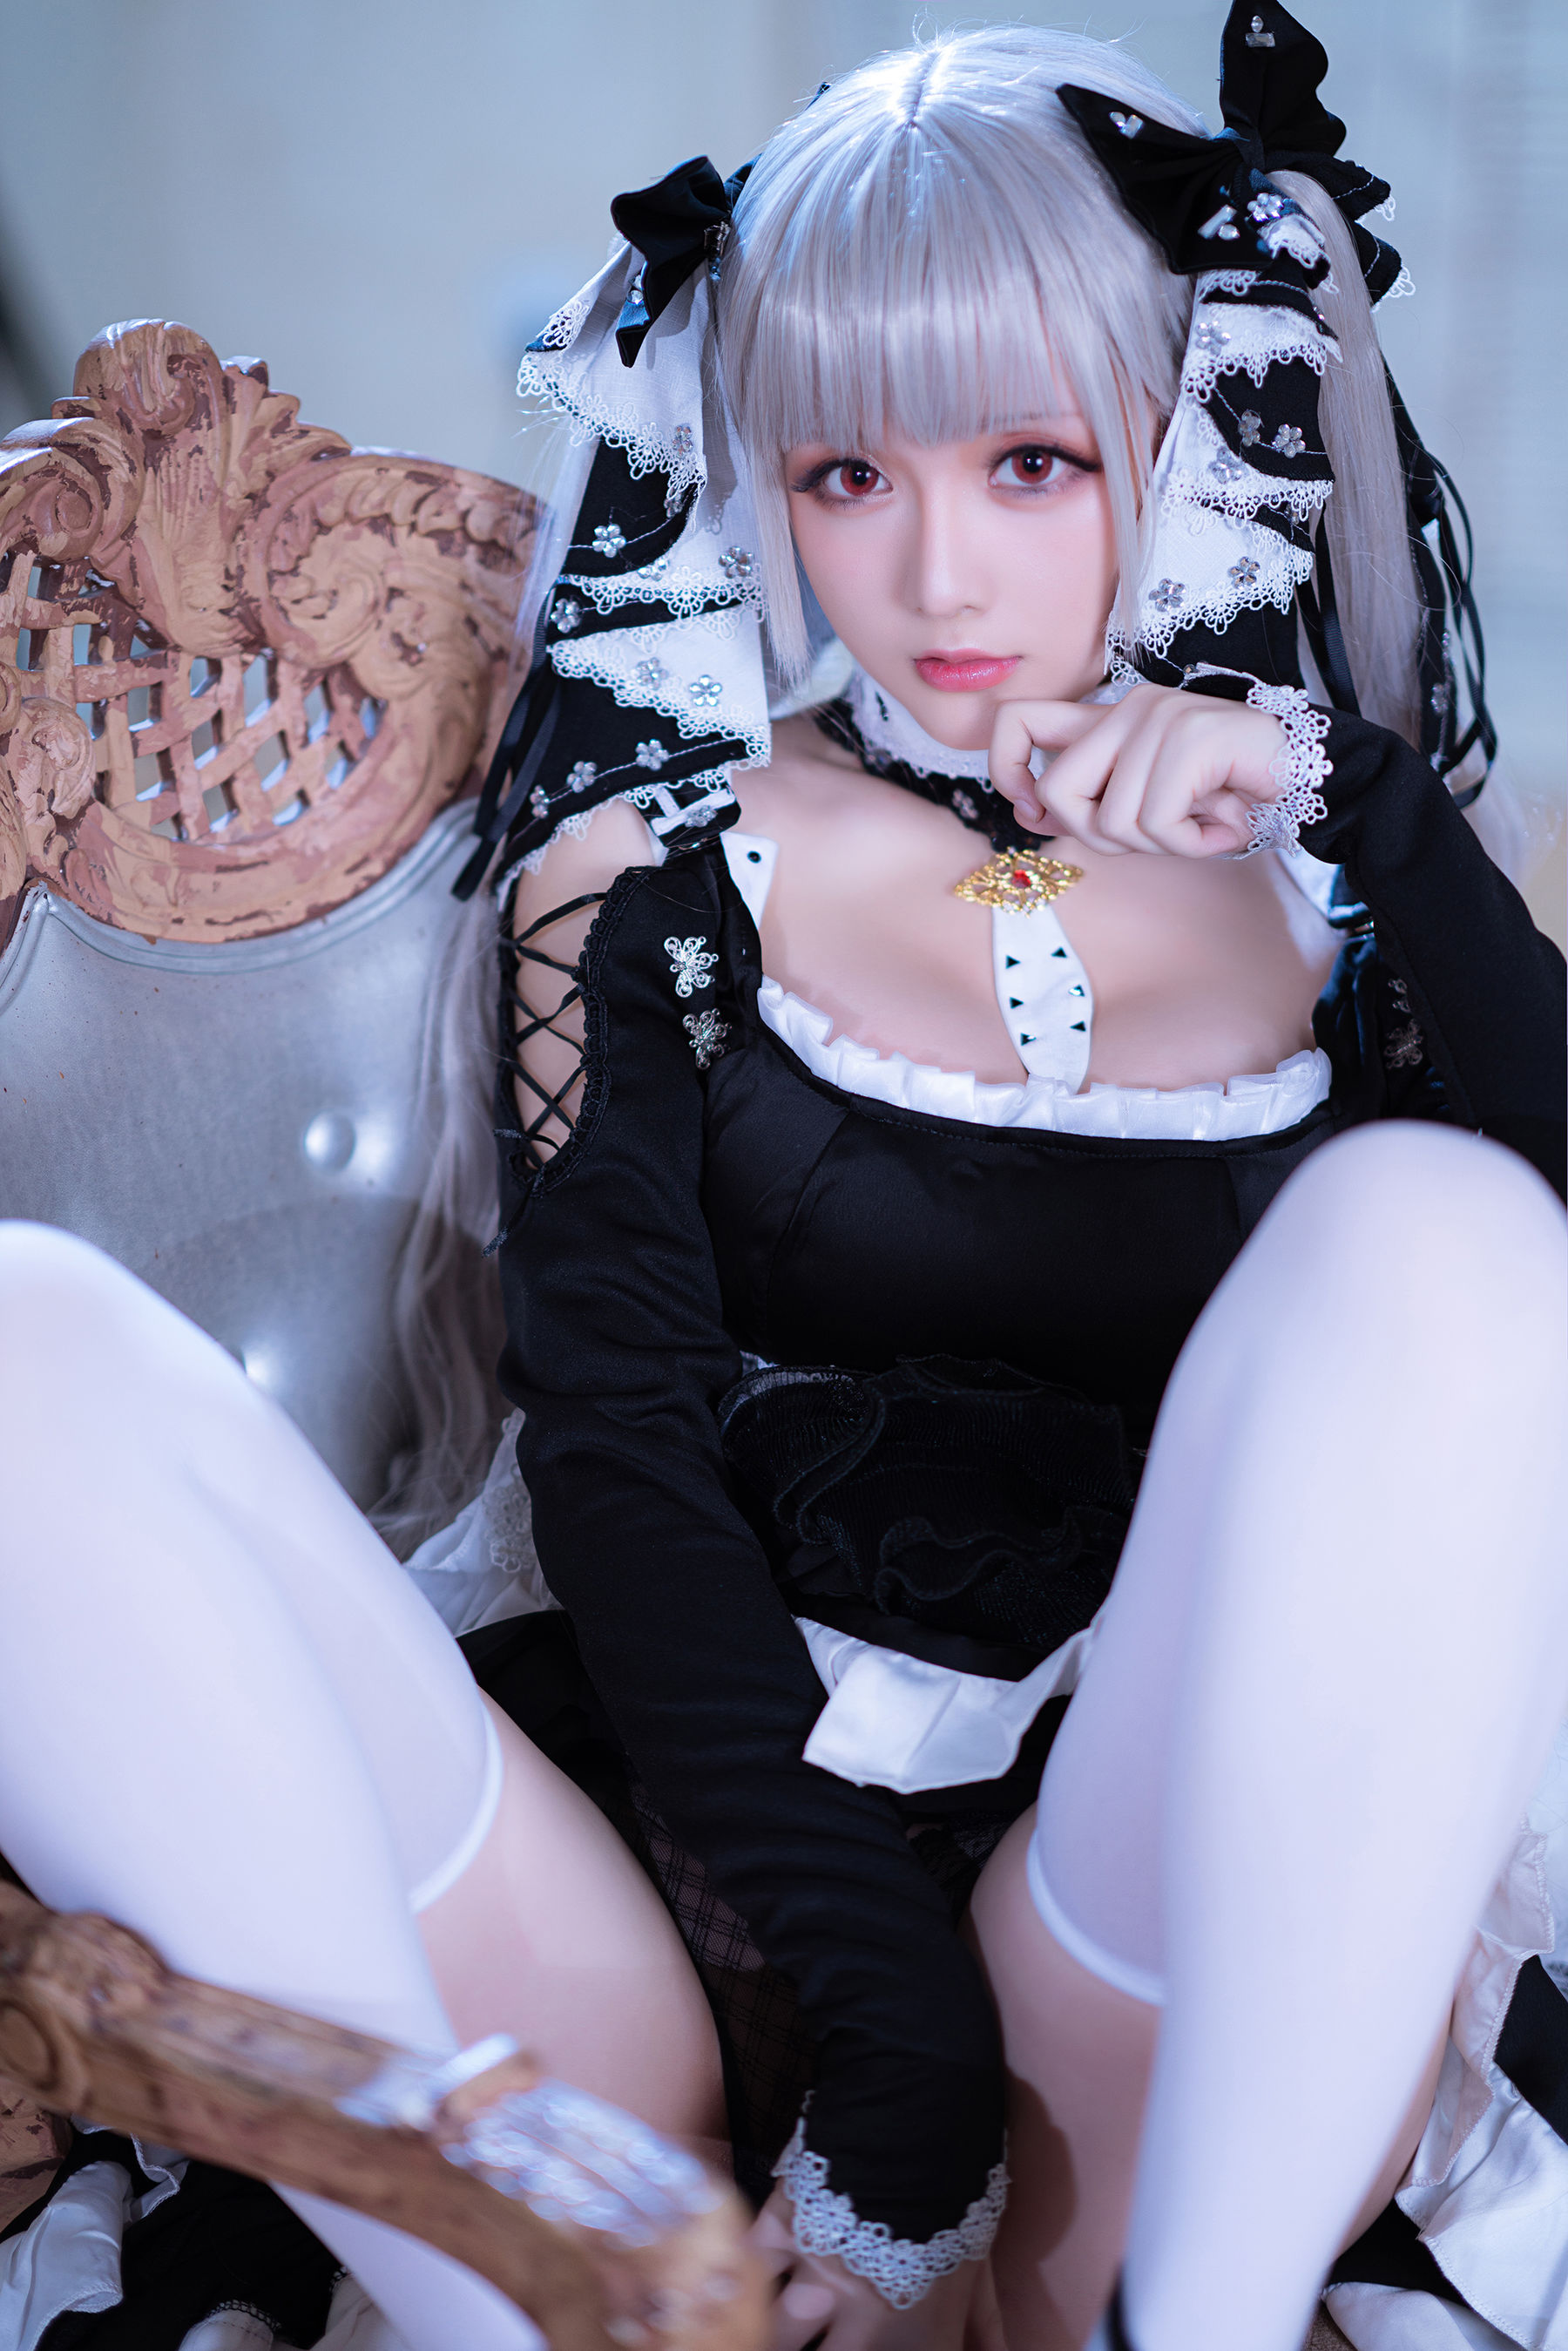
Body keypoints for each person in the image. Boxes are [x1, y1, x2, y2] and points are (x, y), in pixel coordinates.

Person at [1, 8, 1564, 2351]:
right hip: (676, 1891)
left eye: (1032, 461)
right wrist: (888, 2064)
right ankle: (528, 2305)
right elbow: (618, 1450)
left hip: (1145, 1934)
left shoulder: (1320, 865)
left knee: (1439, 1237)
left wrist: (1350, 793)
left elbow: (1522, 1344)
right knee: (19, 1342)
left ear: (1179, 431)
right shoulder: (649, 866)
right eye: (846, 471)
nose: (933, 568)